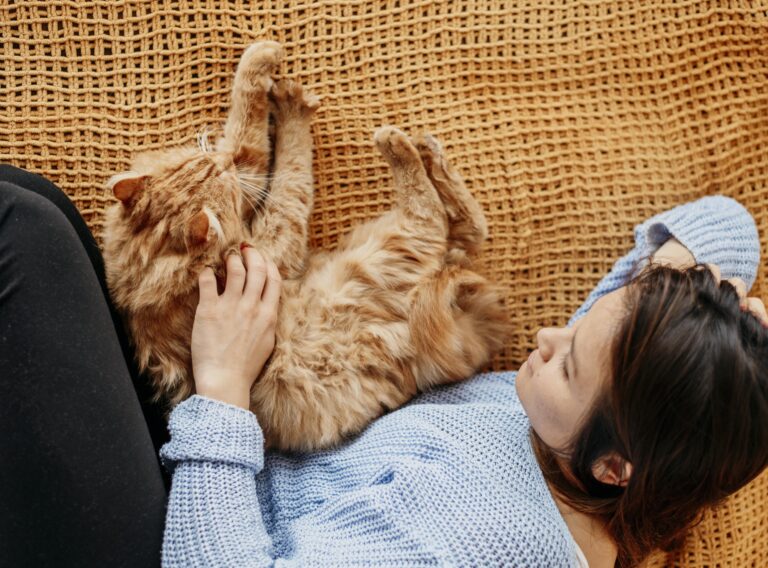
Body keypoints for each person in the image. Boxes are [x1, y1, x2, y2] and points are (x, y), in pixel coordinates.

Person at [1, 164, 766, 567]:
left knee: (23, 235)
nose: (544, 338)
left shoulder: (478, 544)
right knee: (47, 215)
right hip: (202, 479)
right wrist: (705, 306)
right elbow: (730, 226)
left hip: (189, 540)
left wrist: (227, 385)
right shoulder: (583, 431)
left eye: (569, 364)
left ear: (615, 467)